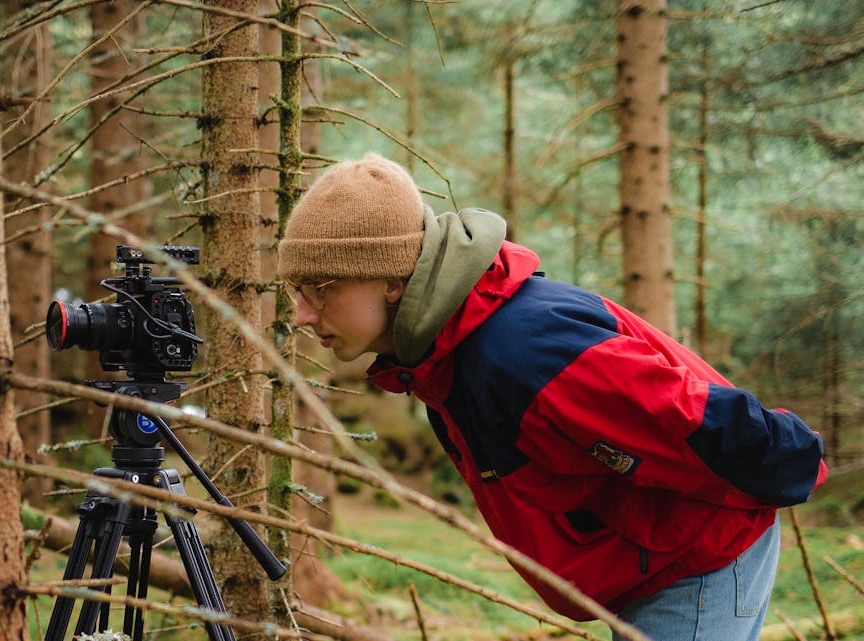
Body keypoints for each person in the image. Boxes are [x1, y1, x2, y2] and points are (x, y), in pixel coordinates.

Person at [276, 153, 827, 641]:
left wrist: (798, 456)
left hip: (700, 556)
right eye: (296, 291)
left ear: (392, 280)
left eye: (321, 289)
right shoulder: (443, 355)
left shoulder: (521, 350)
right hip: (647, 562)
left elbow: (681, 415)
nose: (301, 314)